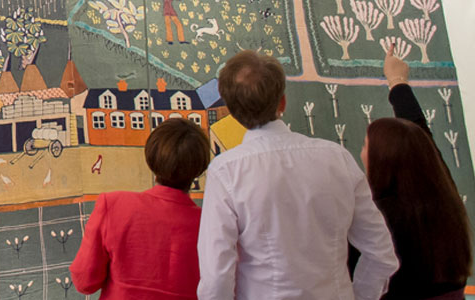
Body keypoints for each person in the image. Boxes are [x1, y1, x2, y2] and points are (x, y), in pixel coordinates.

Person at [197, 50, 398, 299]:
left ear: (231, 111)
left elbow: (217, 278)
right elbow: (380, 253)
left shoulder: (227, 171)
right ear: (283, 102)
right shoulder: (338, 159)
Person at [347, 53, 471, 300]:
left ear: (382, 161)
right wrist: (397, 81)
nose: (361, 153)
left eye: (365, 145)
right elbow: (419, 135)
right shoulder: (445, 200)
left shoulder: (374, 219)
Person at [71, 118, 210, 299]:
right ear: (199, 169)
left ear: (151, 156)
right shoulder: (210, 226)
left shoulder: (113, 205)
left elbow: (85, 282)